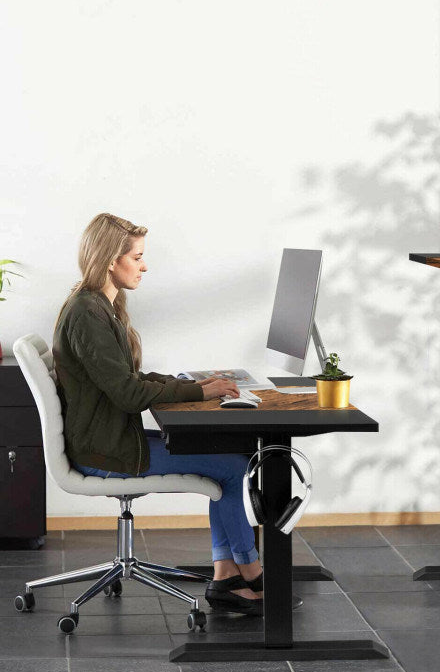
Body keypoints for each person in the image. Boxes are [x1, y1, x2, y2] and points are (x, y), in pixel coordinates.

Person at [53, 212, 301, 617]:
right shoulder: (88, 314)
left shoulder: (97, 307)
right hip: (105, 453)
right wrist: (198, 390)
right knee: (231, 465)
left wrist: (191, 383)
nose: (144, 266)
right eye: (137, 257)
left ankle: (228, 576)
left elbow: (126, 379)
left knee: (230, 458)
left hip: (110, 440)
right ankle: (250, 573)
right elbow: (129, 393)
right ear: (110, 259)